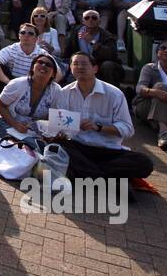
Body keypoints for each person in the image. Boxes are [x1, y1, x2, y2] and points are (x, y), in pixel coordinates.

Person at [54, 53, 154, 185]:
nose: (79, 67)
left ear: (95, 68)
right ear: (70, 68)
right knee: (57, 147)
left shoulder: (114, 94)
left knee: (144, 163)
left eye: (84, 64)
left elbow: (128, 129)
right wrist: (61, 131)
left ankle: (87, 175)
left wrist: (99, 127)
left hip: (107, 150)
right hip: (78, 148)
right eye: (75, 64)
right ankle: (107, 180)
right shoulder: (64, 92)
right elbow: (59, 124)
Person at [0, 53, 62, 142]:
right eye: (40, 62)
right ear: (32, 67)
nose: (43, 65)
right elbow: (0, 105)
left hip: (35, 130)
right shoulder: (18, 83)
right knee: (22, 146)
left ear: (53, 74)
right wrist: (15, 124)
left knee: (39, 149)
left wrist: (50, 132)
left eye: (48, 65)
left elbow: (53, 116)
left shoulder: (56, 90)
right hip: (8, 123)